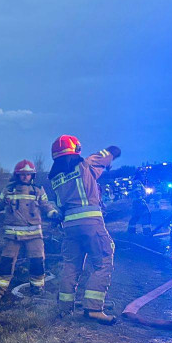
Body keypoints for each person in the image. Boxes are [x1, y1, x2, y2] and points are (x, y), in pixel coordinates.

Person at [48, 135, 121, 324]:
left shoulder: (55, 179)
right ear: (76, 149)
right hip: (91, 223)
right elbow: (113, 150)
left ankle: (64, 309)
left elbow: (59, 207)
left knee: (71, 266)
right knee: (104, 260)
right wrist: (111, 156)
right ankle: (94, 308)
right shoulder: (86, 164)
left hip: (70, 227)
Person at [0, 160, 59, 298]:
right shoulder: (8, 191)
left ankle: (37, 289)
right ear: (17, 175)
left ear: (33, 176)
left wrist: (53, 214)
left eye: (28, 174)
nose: (25, 177)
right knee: (6, 263)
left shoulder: (38, 190)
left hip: (34, 236)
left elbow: (46, 206)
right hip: (12, 237)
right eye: (22, 174)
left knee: (37, 262)